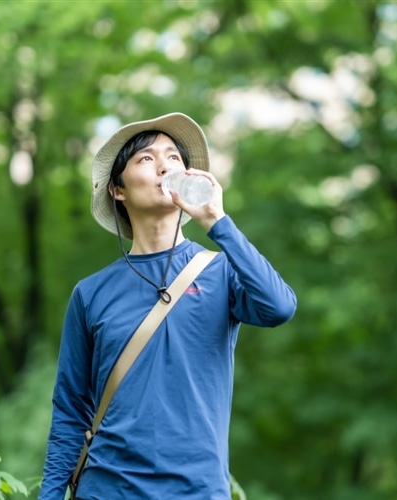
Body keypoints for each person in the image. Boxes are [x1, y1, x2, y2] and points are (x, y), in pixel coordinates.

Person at [39, 112, 297, 499]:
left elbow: (278, 307)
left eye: (174, 157)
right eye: (145, 158)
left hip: (197, 490)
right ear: (117, 190)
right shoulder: (90, 293)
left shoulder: (221, 270)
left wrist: (217, 221)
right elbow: (70, 413)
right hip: (108, 490)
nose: (163, 165)